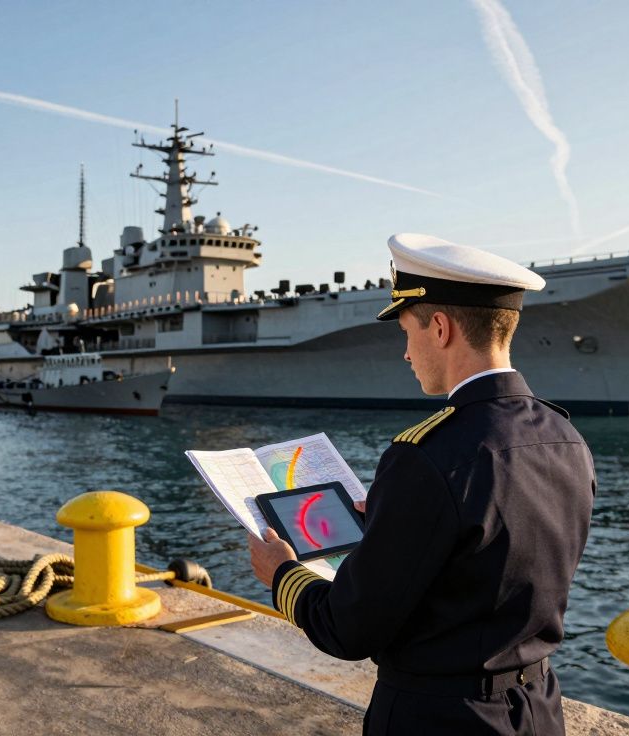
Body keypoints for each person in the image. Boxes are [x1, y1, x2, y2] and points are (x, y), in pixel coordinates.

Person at [248, 233, 596, 735]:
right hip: (539, 710)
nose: (406, 354)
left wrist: (282, 574)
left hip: (440, 718)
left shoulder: (425, 457)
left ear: (439, 327)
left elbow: (347, 631)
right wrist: (394, 522)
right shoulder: (566, 437)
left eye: (406, 332)